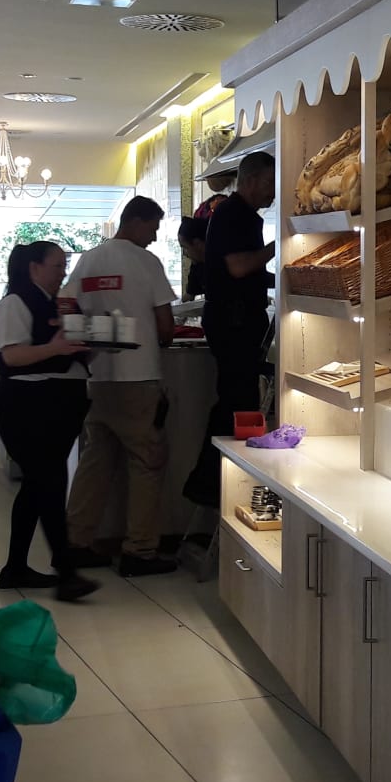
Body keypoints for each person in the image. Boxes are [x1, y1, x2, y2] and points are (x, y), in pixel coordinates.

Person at [61, 196, 180, 577]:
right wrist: (159, 337)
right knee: (146, 462)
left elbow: (66, 306)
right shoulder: (146, 262)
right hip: (139, 377)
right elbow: (165, 326)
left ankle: (76, 542)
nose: (155, 236)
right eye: (153, 227)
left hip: (97, 378)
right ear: (136, 221)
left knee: (95, 462)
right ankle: (139, 551)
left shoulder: (88, 260)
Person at [0, 242, 98, 602]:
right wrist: (56, 348)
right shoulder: (14, 303)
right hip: (29, 404)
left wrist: (92, 344)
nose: (63, 273)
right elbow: (12, 356)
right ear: (34, 268)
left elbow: (69, 352)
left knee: (38, 485)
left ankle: (15, 568)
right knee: (48, 483)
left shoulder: (59, 304)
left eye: (65, 266)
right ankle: (66, 573)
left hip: (58, 403)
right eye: (57, 266)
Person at [182, 151, 276, 508]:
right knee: (238, 402)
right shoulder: (235, 214)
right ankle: (219, 483)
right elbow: (238, 267)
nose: (272, 192)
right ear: (250, 180)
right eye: (269, 183)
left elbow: (242, 270)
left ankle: (218, 483)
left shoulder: (237, 215)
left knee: (237, 399)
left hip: (233, 320)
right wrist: (279, 247)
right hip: (235, 322)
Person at [178, 216, 209, 301]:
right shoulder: (196, 265)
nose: (184, 253)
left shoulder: (225, 265)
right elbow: (189, 296)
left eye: (185, 247)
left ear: (198, 244)